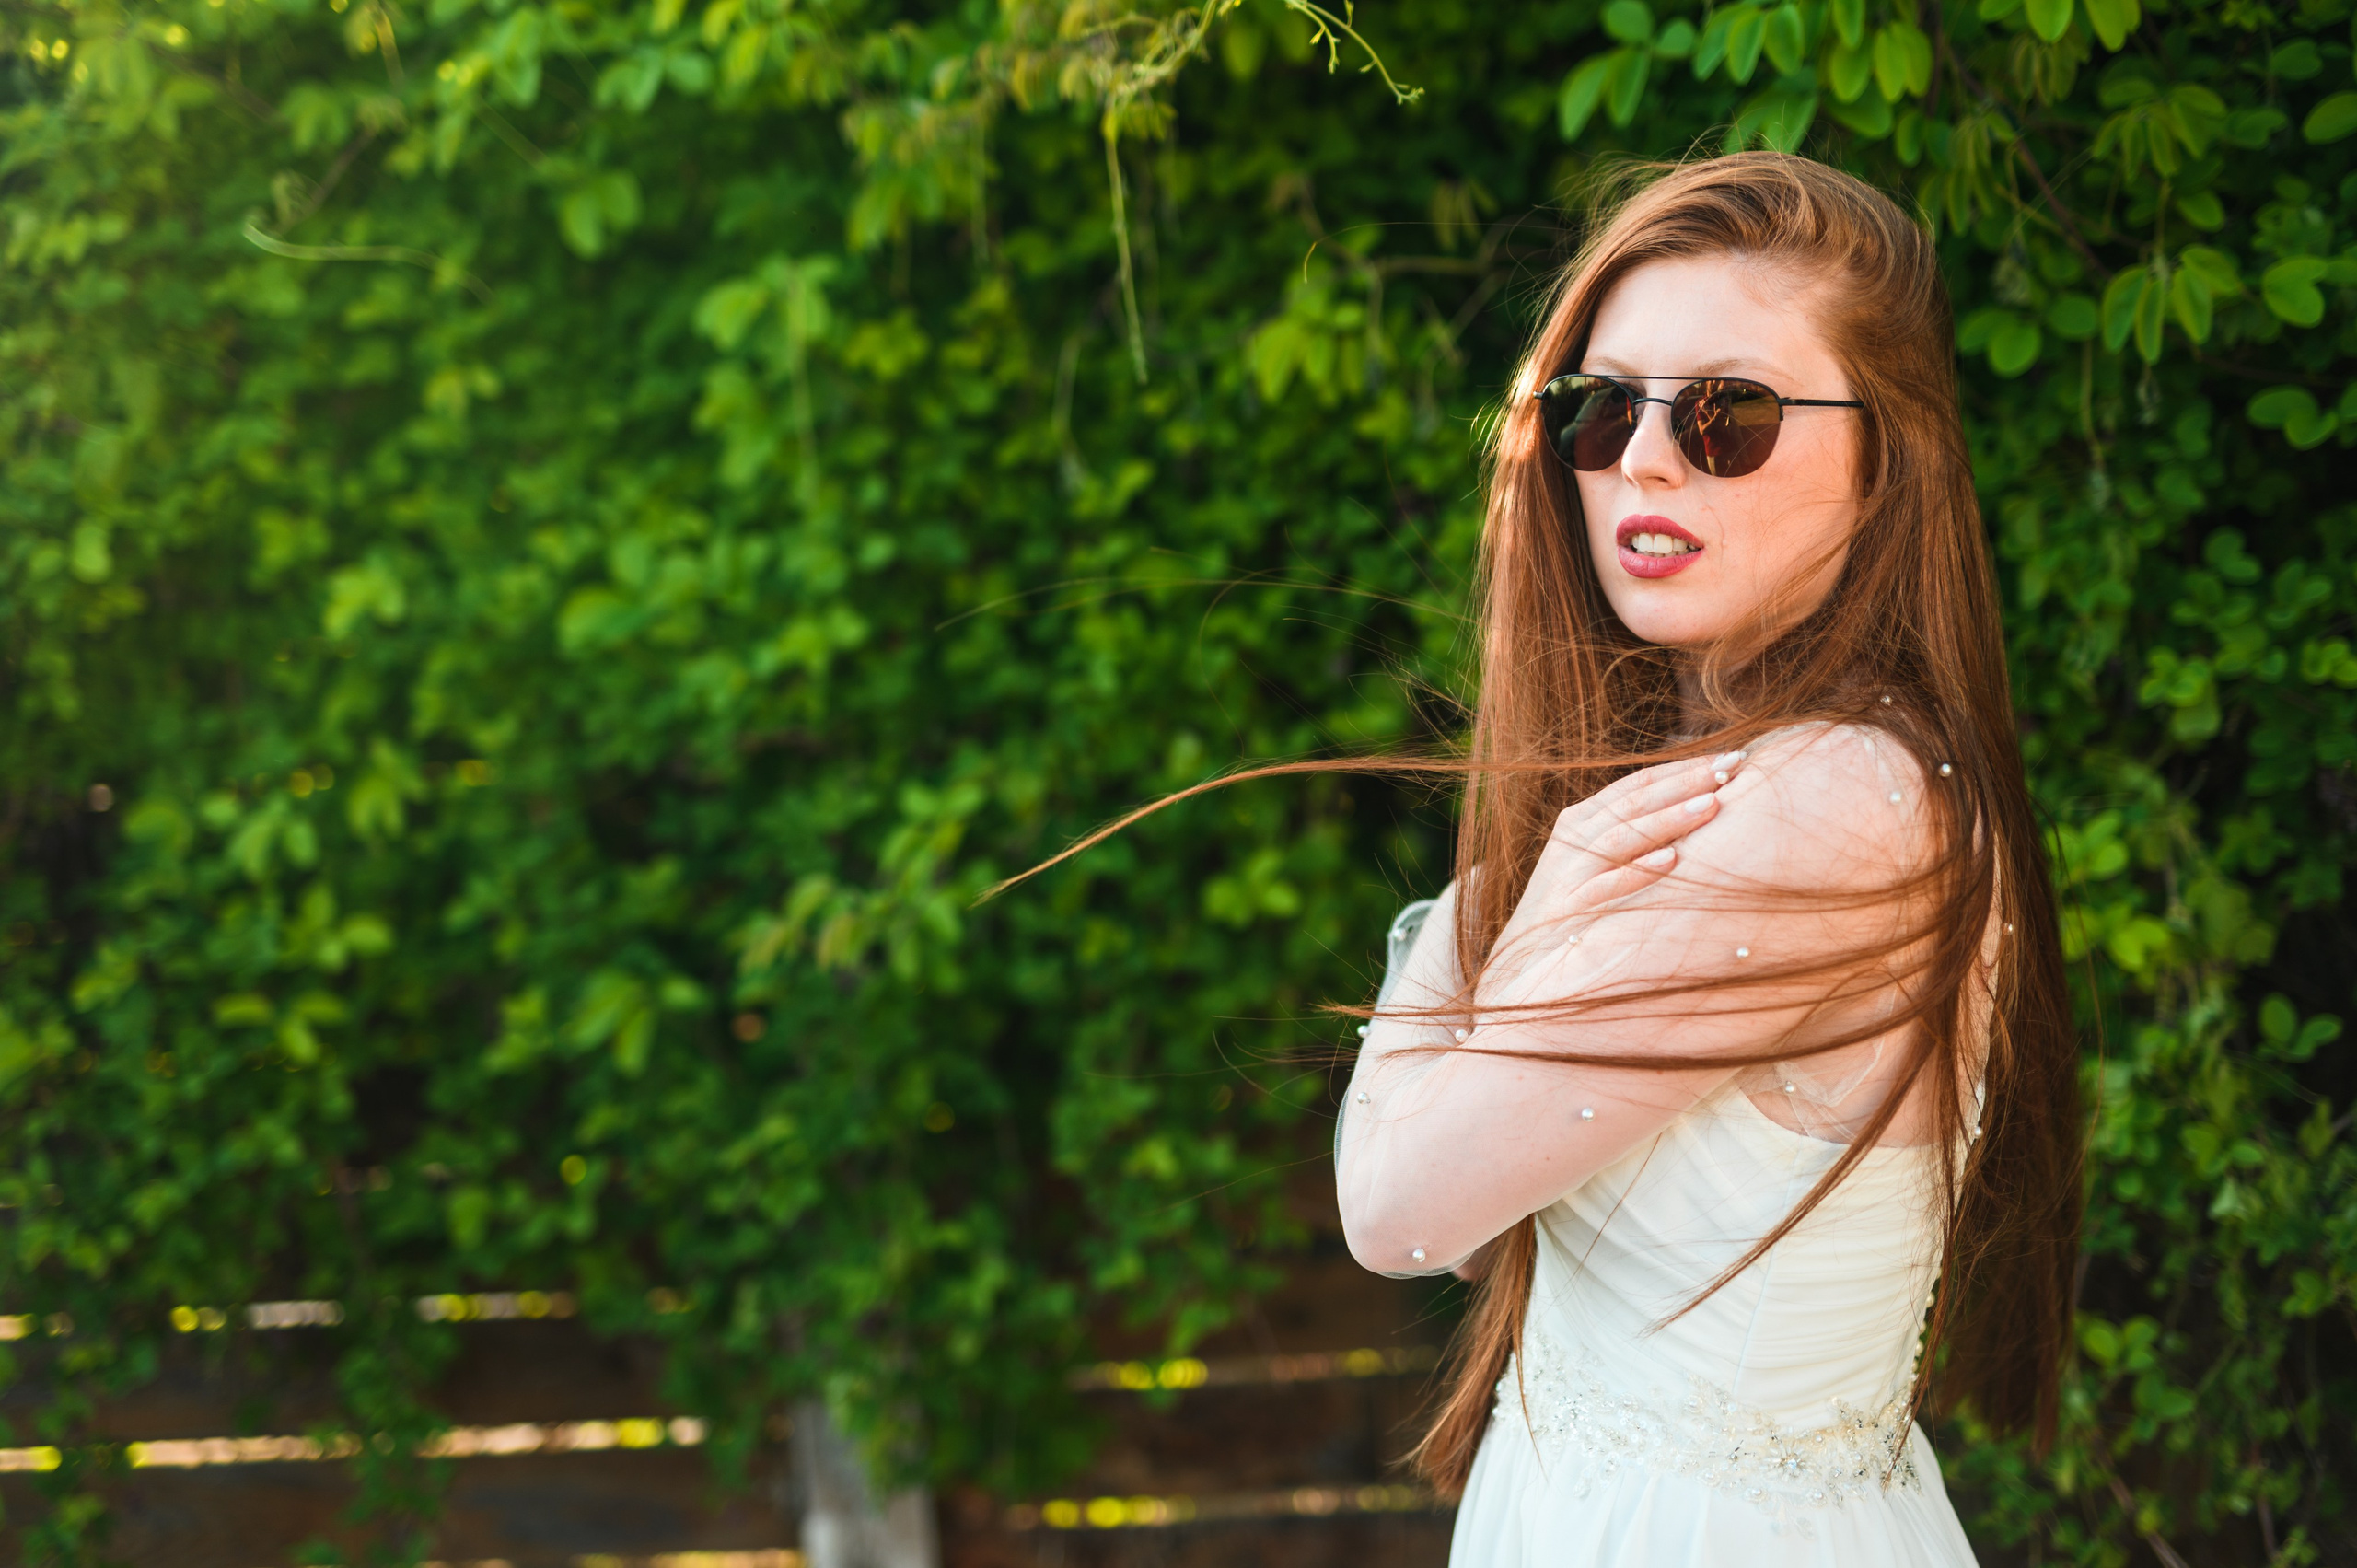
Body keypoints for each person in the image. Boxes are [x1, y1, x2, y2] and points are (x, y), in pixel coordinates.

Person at [1333, 153, 2081, 1564]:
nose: (1646, 461)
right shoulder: (1712, 777)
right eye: (1599, 411)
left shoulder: (1830, 810)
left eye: (1727, 414)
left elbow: (1398, 1209)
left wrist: (1508, 905)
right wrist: (1527, 894)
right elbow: (1488, 1216)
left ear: (1886, 456)